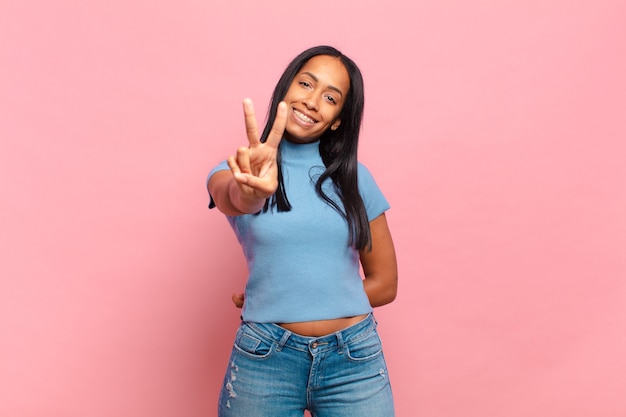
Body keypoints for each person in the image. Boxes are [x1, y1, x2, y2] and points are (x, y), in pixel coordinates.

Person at [207, 45, 398, 417]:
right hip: (264, 360)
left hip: (353, 360)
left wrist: (292, 295)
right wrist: (249, 191)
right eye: (306, 84)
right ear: (285, 88)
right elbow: (233, 197)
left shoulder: (357, 179)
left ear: (339, 119)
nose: (312, 101)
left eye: (330, 97)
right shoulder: (237, 170)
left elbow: (385, 283)